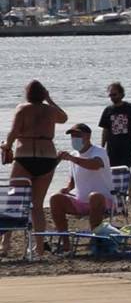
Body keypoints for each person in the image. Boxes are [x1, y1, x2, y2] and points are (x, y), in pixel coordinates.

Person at [1, 80, 67, 255]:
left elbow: (14, 132)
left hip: (25, 156)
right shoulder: (50, 110)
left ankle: (5, 244)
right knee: (37, 205)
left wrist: (7, 146)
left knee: (13, 201)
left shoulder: (23, 108)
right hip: (47, 158)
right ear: (43, 94)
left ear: (27, 93)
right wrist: (49, 100)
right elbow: (64, 118)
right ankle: (39, 247)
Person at [48, 123, 115, 244]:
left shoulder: (99, 151)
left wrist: (72, 159)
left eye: (78, 135)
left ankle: (96, 240)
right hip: (81, 202)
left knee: (94, 196)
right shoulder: (74, 155)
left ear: (88, 136)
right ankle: (65, 242)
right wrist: (67, 189)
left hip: (103, 201)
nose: (75, 139)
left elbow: (95, 165)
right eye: (73, 136)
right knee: (55, 198)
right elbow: (72, 182)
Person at [98, 81, 131, 197]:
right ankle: (116, 192)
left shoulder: (130, 108)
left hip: (127, 145)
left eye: (115, 94)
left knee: (126, 169)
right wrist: (102, 147)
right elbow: (105, 130)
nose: (112, 97)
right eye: (110, 95)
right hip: (112, 146)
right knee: (112, 170)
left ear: (122, 94)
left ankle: (129, 191)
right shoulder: (108, 110)